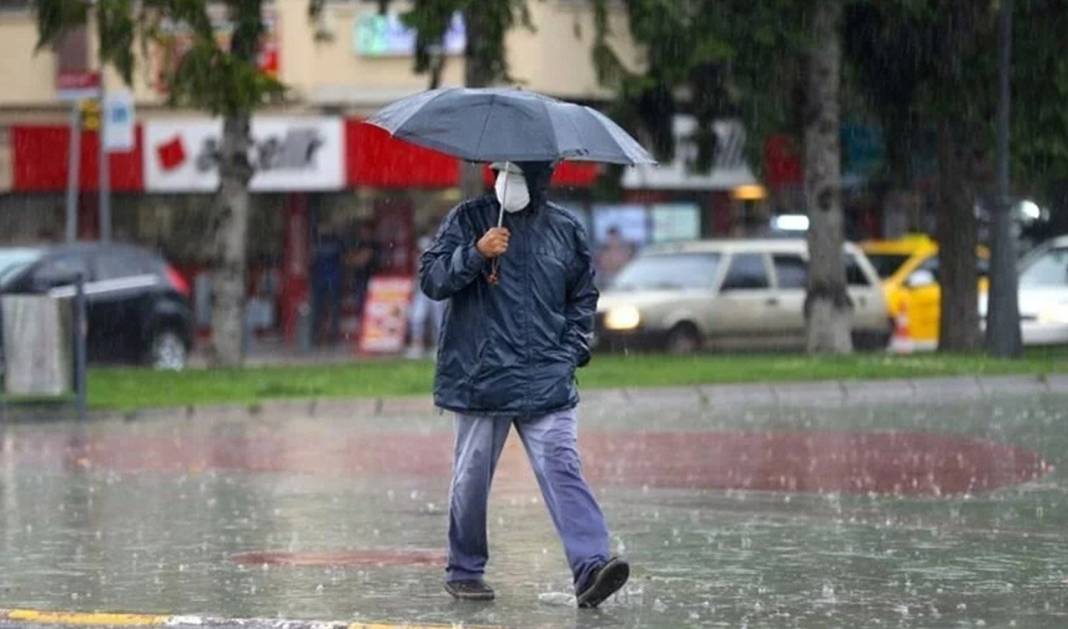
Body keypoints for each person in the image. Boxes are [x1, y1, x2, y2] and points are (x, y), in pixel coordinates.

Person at [420, 160, 629, 608]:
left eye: (518, 173)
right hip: (482, 378)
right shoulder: (467, 220)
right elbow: (433, 279)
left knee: (563, 467)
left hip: (546, 378)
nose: (507, 182)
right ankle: (465, 569)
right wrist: (476, 253)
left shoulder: (564, 230)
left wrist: (572, 349)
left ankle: (591, 566)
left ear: (541, 178)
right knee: (471, 479)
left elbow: (582, 296)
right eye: (501, 172)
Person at [405, 233, 446, 359]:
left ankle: (440, 347)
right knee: (417, 317)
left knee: (438, 320)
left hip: (435, 290)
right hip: (421, 291)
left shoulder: (439, 257)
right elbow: (415, 277)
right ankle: (417, 345)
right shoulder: (416, 258)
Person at [310, 223, 345, 345]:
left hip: (324, 279)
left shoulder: (318, 244)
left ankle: (320, 334)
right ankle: (329, 334)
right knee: (329, 308)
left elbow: (312, 259)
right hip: (331, 279)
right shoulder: (336, 243)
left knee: (322, 308)